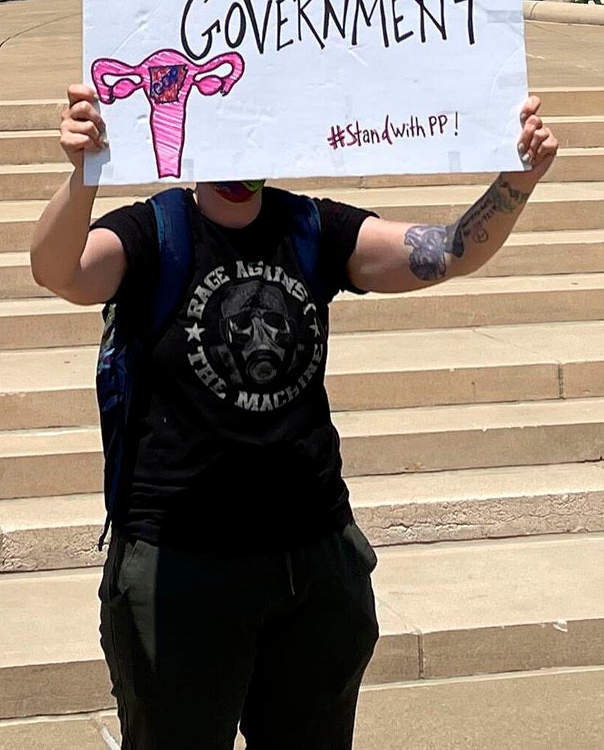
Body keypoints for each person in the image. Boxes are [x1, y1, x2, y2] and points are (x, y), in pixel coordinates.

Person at [28, 86, 560, 750]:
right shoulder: (152, 232)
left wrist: (516, 183)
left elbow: (446, 251)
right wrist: (82, 175)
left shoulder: (309, 227)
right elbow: (59, 271)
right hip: (181, 570)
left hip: (314, 564)